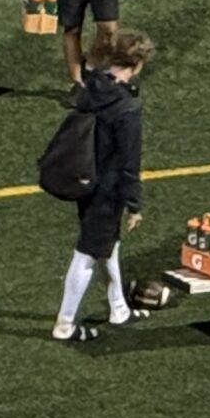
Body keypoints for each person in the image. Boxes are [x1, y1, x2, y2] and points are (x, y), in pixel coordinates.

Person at [51, 29, 154, 347]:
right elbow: (128, 162)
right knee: (86, 254)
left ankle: (118, 308)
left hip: (84, 177)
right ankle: (65, 324)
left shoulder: (91, 85)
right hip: (107, 190)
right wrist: (134, 204)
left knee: (108, 244)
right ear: (136, 64)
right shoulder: (126, 108)